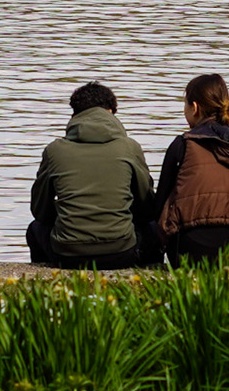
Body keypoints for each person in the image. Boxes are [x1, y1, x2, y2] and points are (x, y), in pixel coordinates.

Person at [28, 81, 156, 270]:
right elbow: (147, 208)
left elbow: (40, 211)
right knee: (153, 228)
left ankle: (43, 282)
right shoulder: (130, 148)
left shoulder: (54, 150)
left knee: (35, 229)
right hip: (121, 252)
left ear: (75, 114)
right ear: (111, 112)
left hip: (67, 254)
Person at [153, 73, 229, 266]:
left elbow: (159, 206)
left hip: (192, 251)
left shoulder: (184, 144)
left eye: (185, 105)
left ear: (195, 108)